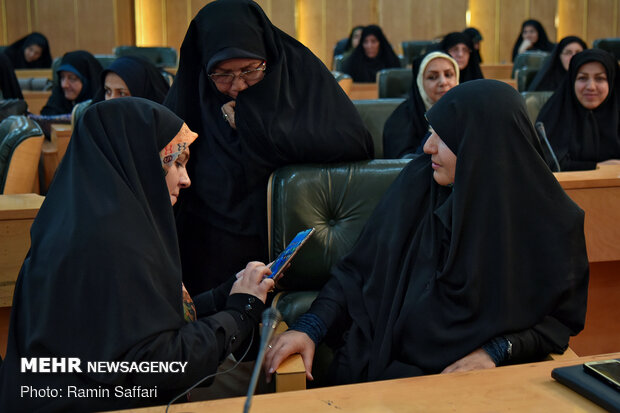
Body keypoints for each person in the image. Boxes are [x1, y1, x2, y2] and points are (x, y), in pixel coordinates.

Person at [264, 80, 589, 386]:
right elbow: (355, 275)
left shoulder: (552, 224)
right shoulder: (418, 185)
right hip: (389, 375)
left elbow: (556, 324)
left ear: (481, 146)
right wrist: (310, 327)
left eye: (443, 136)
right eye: (430, 132)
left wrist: (496, 350)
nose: (428, 146)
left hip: (489, 385)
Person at [0, 97, 275, 411]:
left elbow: (132, 326)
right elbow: (157, 365)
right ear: (140, 163)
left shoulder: (79, 223)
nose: (185, 180)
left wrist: (222, 296)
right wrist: (241, 313)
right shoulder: (115, 246)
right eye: (175, 163)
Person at [164, 0, 374, 295]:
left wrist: (254, 124)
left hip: (291, 245)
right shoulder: (192, 96)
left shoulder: (298, 73)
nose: (238, 86)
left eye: (250, 70)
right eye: (223, 74)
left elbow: (354, 142)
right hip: (210, 254)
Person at [536, 49, 620, 171]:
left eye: (600, 78)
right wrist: (597, 167)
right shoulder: (554, 114)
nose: (591, 86)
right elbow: (547, 164)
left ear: (612, 82)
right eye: (582, 78)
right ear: (572, 80)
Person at [383, 51, 459, 158]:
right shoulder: (401, 118)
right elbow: (401, 165)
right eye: (432, 77)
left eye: (448, 75)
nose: (443, 82)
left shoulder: (467, 112)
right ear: (420, 82)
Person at [40, 50, 103, 115]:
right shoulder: (57, 98)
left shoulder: (101, 107)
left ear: (87, 81)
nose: (64, 85)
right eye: (62, 77)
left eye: (72, 78)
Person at [93, 55, 170, 103]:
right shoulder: (96, 124)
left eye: (122, 93)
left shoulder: (166, 127)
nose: (110, 100)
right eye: (108, 91)